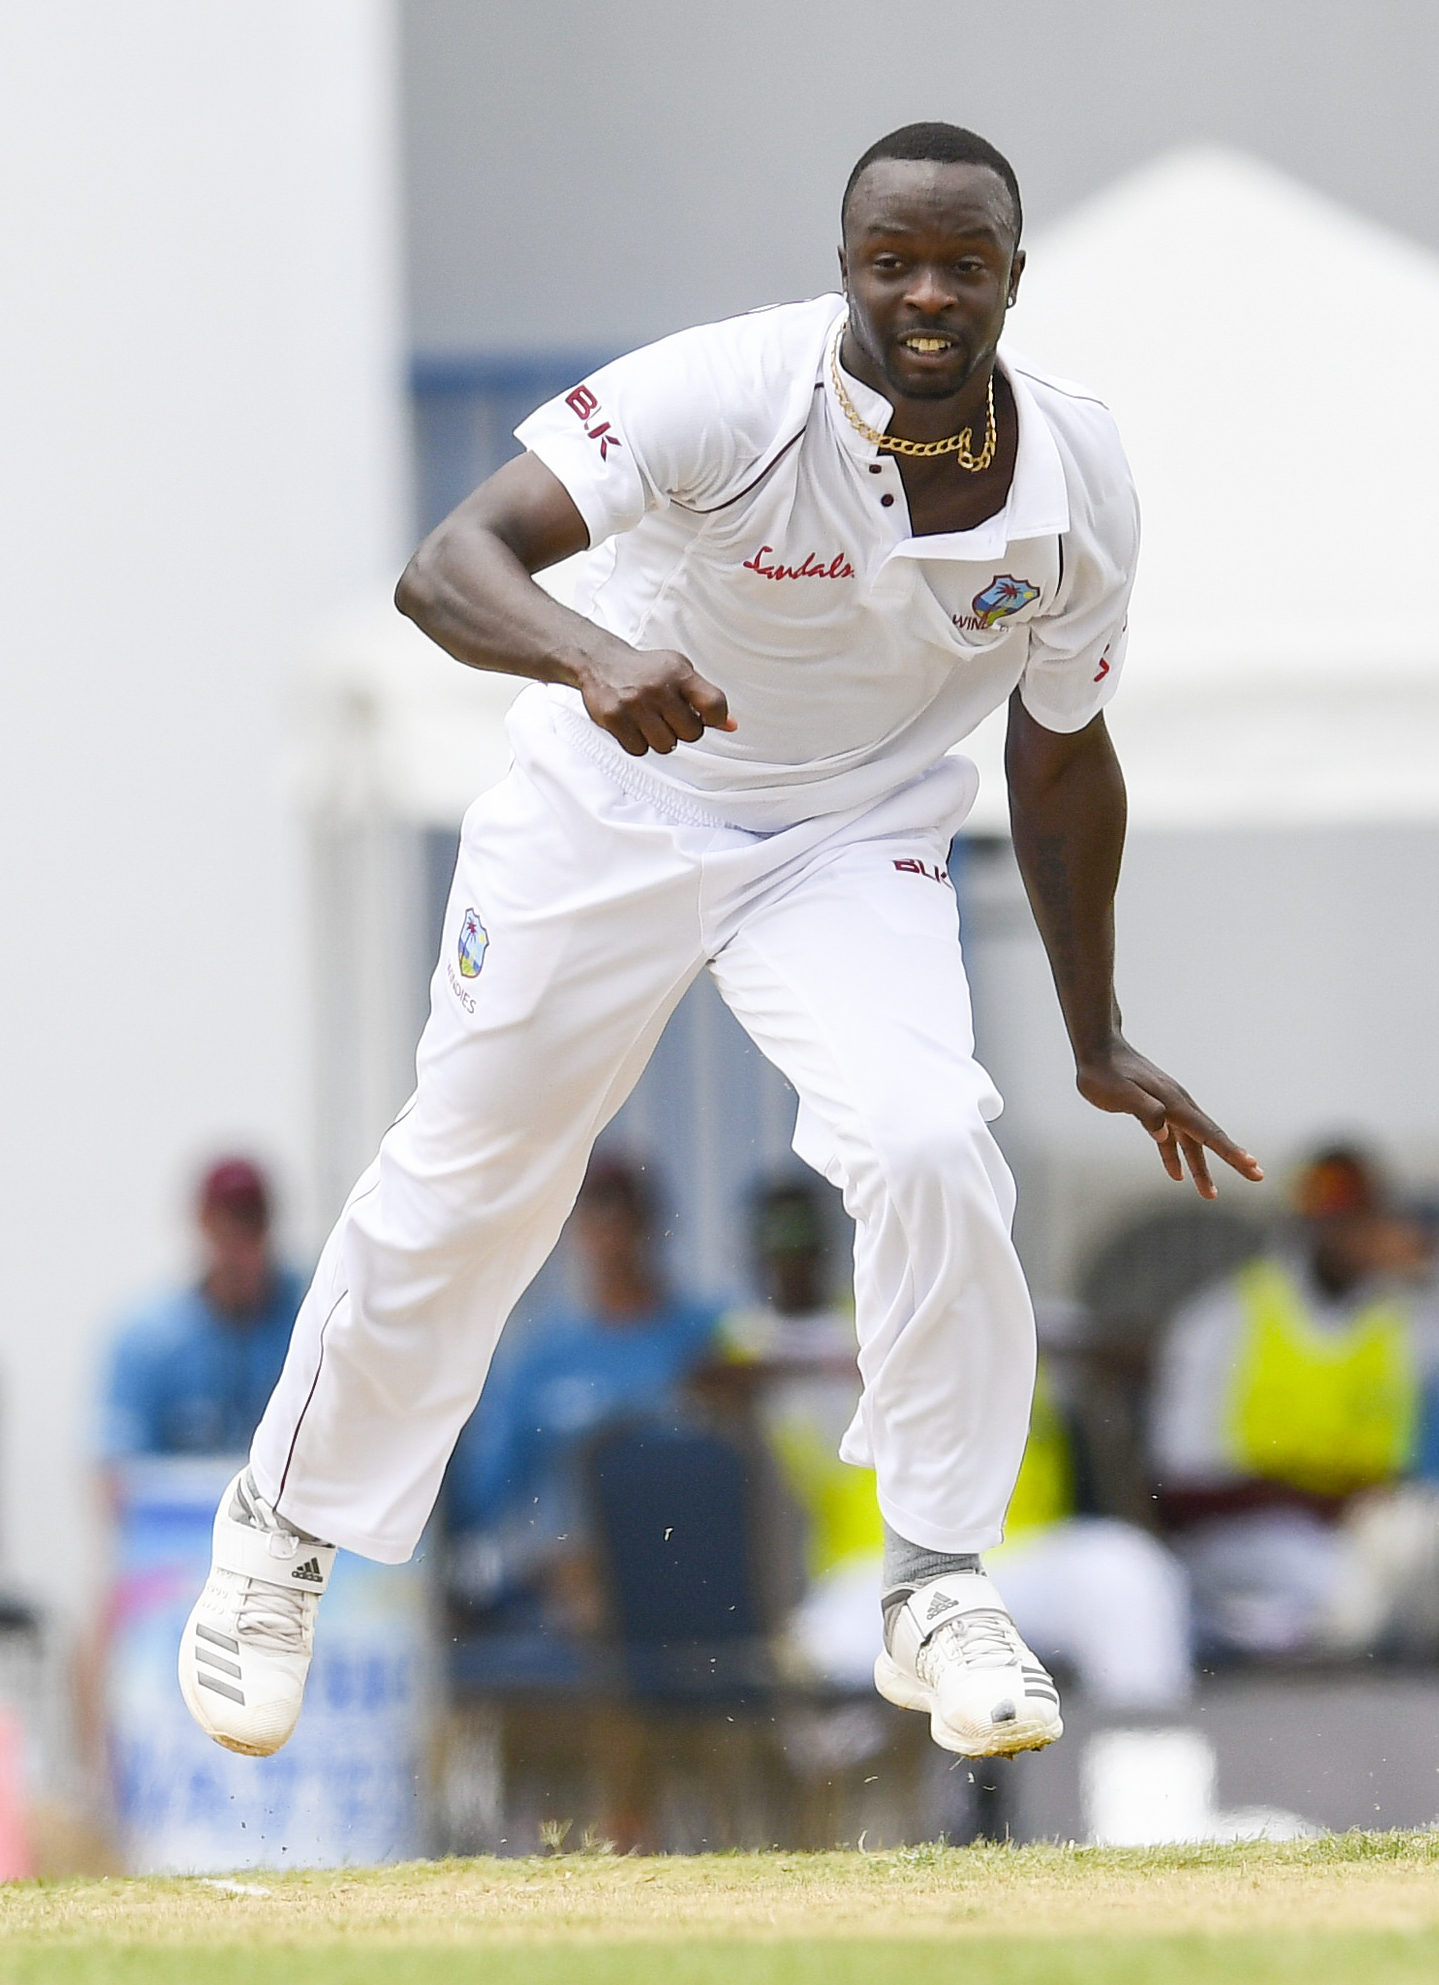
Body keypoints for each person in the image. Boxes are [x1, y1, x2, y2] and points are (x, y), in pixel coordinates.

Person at [179, 120, 1260, 1765]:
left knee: (928, 1141)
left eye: (960, 264)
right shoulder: (725, 393)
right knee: (476, 1173)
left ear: (1010, 278)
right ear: (845, 269)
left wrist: (1093, 1030)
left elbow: (1059, 750)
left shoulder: (1076, 474)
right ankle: (280, 1531)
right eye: (891, 260)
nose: (924, 292)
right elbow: (447, 565)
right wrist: (590, 658)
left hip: (849, 835)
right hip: (610, 803)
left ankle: (933, 1579)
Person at [726, 1178, 1192, 1710]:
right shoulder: (817, 1334)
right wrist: (858, 1361)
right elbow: (713, 1379)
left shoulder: (1021, 1316)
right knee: (829, 1648)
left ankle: (1142, 1751)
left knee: (1129, 1573)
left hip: (1020, 1559)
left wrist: (1019, 1341)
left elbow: (1142, 1356)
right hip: (880, 1576)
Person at [1149, 1146, 1439, 1658]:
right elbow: (1178, 1486)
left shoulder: (1402, 1322)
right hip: (1242, 1535)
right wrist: (1312, 1499)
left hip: (1356, 1531)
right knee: (1345, 1593)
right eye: (1337, 1224)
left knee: (1420, 1550)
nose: (1351, 1237)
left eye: (1362, 1221)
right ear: (1305, 1227)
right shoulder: (1224, 1317)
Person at [446, 1153, 721, 1632]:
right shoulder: (542, 1360)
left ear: (651, 1227)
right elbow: (487, 1501)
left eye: (623, 1220)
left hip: (688, 1578)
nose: (612, 1240)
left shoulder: (706, 1343)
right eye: (598, 1219)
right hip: (570, 1598)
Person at [101, 1158, 303, 1462]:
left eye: (249, 1226)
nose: (236, 1245)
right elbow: (114, 1467)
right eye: (224, 1227)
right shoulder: (150, 1342)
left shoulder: (308, 1324)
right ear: (202, 1224)